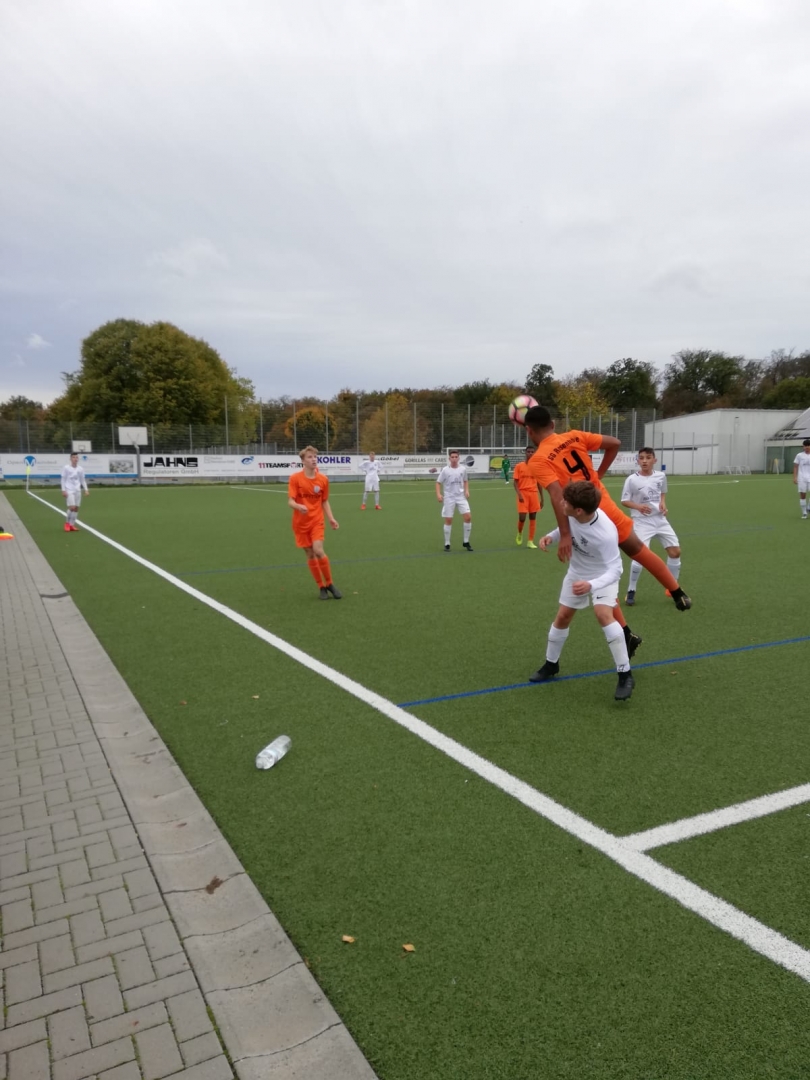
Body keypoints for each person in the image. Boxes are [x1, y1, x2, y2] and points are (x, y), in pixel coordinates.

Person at [524, 405, 691, 612]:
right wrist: (599, 474)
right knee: (638, 550)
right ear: (552, 424)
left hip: (583, 517)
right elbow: (615, 443)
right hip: (604, 505)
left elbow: (557, 495)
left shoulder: (538, 459)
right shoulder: (575, 436)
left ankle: (619, 626)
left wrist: (565, 535)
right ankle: (677, 593)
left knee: (598, 569)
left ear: (529, 430)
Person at [532, 481, 634, 701]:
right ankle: (551, 664)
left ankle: (625, 674)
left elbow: (616, 569)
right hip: (577, 573)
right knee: (563, 616)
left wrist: (592, 585)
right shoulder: (573, 514)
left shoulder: (605, 533)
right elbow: (566, 528)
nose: (562, 503)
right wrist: (552, 536)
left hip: (603, 576)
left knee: (603, 614)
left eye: (566, 502)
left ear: (578, 510)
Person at [621, 448, 681, 605]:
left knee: (675, 552)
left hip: (660, 519)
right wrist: (638, 507)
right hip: (642, 521)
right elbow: (624, 501)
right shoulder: (631, 479)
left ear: (654, 460)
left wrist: (663, 503)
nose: (644, 461)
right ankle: (631, 590)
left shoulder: (661, 476)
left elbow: (662, 492)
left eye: (648, 458)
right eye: (641, 458)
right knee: (640, 556)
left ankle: (672, 587)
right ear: (638, 461)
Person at [287, 446, 342, 599]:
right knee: (310, 554)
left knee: (318, 550)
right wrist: (298, 506)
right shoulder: (295, 479)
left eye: (315, 457)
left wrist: (331, 518)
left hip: (317, 521)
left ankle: (330, 583)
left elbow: (324, 501)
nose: (313, 460)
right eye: (310, 457)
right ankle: (321, 587)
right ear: (303, 461)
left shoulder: (323, 479)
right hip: (300, 523)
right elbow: (290, 501)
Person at [436, 450, 473, 551]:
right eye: (452, 457)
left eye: (456, 457)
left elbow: (465, 481)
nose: (454, 459)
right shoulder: (445, 470)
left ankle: (466, 541)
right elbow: (438, 482)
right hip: (449, 497)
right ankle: (447, 543)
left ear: (459, 458)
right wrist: (438, 494)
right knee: (448, 519)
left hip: (461, 497)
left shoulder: (463, 469)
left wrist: (467, 491)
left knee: (468, 517)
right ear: (449, 458)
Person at [513, 445, 544, 548]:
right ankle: (520, 532)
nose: (530, 453)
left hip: (534, 494)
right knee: (522, 517)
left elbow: (539, 484)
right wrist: (519, 494)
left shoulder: (536, 467)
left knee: (533, 517)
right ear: (525, 453)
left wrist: (542, 498)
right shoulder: (519, 466)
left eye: (532, 452)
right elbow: (515, 483)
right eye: (529, 452)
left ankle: (530, 541)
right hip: (523, 494)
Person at [60, 452, 89, 532]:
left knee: (76, 509)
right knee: (72, 507)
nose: (75, 459)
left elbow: (82, 480)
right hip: (69, 490)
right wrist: (63, 490)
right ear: (70, 459)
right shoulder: (66, 468)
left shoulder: (80, 469)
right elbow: (63, 479)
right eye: (73, 457)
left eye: (76, 457)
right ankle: (67, 524)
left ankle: (72, 525)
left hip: (77, 490)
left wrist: (86, 489)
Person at [793, 439, 810, 519]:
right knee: (803, 494)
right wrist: (795, 477)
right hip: (802, 477)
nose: (807, 447)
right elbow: (795, 466)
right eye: (805, 446)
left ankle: (809, 507)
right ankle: (804, 513)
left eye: (808, 445)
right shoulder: (799, 455)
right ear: (803, 447)